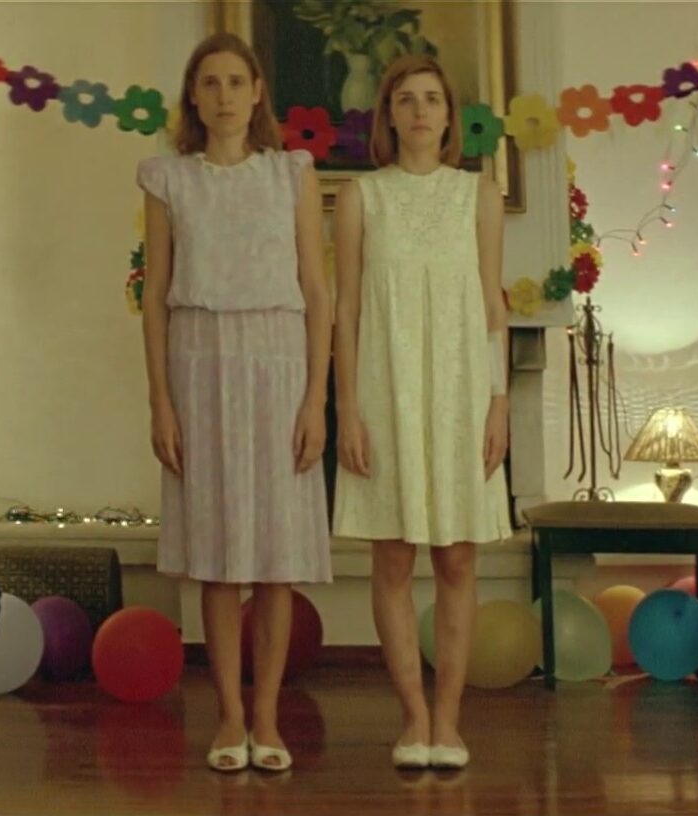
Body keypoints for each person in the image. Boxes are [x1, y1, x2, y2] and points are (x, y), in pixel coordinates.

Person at [137, 32, 333, 773]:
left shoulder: (291, 176)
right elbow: (153, 297)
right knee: (219, 556)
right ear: (194, 96)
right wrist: (160, 399)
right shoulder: (167, 180)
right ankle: (227, 714)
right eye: (209, 83)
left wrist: (317, 397)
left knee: (275, 558)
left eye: (235, 82)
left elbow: (319, 291)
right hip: (199, 361)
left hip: (279, 363)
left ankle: (268, 716)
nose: (223, 95)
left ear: (257, 95)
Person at [331, 54, 511, 771]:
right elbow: (344, 311)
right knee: (395, 553)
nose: (420, 111)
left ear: (449, 114)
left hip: (462, 391)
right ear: (389, 115)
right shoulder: (360, 198)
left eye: (432, 99)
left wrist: (499, 400)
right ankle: (412, 717)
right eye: (406, 99)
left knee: (458, 556)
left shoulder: (479, 195)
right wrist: (348, 406)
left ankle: (449, 719)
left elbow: (493, 305)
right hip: (385, 391)